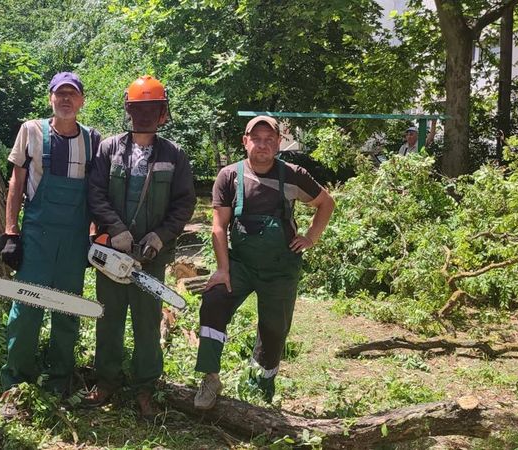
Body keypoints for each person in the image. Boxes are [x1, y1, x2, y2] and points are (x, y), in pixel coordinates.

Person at [193, 115, 335, 410]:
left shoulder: (294, 174)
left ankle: (261, 386)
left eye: (269, 139)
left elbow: (326, 203)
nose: (262, 145)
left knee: (274, 328)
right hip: (240, 264)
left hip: (280, 268)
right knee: (214, 301)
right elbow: (218, 226)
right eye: (256, 138)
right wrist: (222, 269)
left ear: (278, 144)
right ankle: (210, 377)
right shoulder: (229, 176)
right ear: (245, 142)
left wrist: (311, 237)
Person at [83, 75, 196, 420]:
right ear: (129, 111)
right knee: (109, 316)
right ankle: (107, 379)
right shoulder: (109, 148)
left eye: (152, 109)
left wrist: (160, 236)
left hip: (151, 256)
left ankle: (146, 385)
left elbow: (184, 202)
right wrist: (115, 229)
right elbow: (95, 193)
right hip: (113, 252)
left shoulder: (174, 154)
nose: (145, 115)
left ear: (162, 113)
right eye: (139, 109)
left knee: (147, 321)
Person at [0, 72, 101, 414]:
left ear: (82, 101)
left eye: (72, 95)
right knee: (26, 308)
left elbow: (96, 193)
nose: (66, 100)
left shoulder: (92, 140)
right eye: (60, 94)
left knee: (67, 309)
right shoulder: (31, 131)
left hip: (73, 239)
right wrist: (11, 233)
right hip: (37, 235)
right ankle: (15, 384)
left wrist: (93, 236)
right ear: (50, 98)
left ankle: (60, 380)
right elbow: (16, 183)